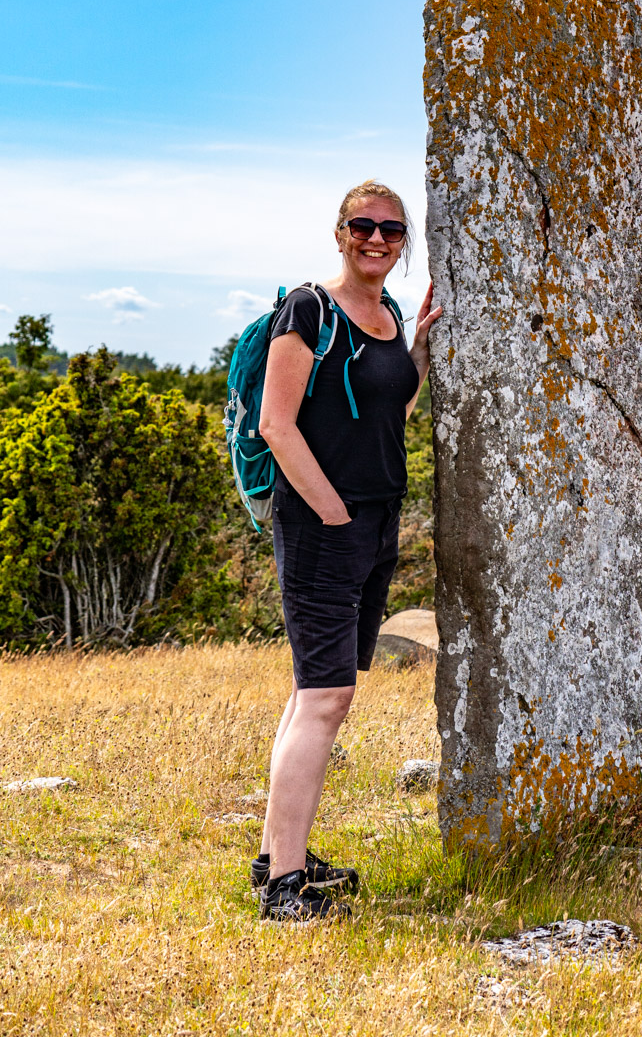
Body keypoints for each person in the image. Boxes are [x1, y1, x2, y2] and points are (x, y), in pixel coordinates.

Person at [252, 179, 442, 922]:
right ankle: (283, 891)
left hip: (376, 523)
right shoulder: (310, 309)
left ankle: (280, 857)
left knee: (312, 692)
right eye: (363, 226)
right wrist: (330, 510)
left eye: (392, 231)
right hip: (323, 527)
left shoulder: (388, 315)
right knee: (327, 697)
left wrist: (418, 352)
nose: (377, 240)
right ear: (340, 233)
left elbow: (385, 411)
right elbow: (276, 422)